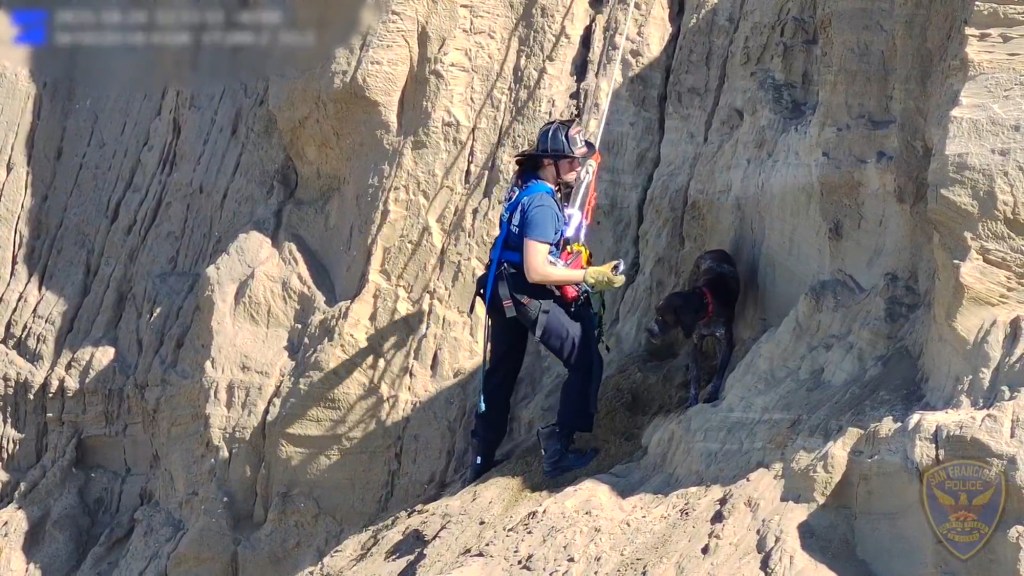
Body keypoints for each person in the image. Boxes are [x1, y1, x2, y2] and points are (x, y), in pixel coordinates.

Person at [468, 118, 626, 482]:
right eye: (571, 161)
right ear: (549, 162)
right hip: (524, 290)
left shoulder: (525, 185)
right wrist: (589, 275)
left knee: (501, 374)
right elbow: (538, 270)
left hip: (501, 288)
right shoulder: (542, 204)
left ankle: (480, 460)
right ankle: (559, 449)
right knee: (585, 358)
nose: (578, 166)